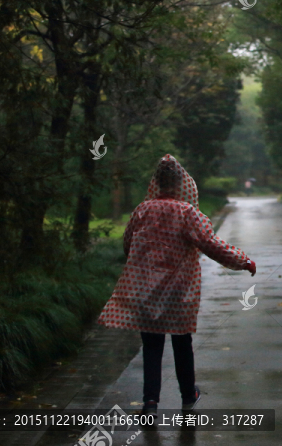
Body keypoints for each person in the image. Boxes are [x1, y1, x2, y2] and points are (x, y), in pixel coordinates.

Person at [98, 154, 256, 414]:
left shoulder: (142, 210)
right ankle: (187, 395)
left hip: (146, 289)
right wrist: (244, 261)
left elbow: (127, 244)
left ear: (156, 183)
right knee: (182, 343)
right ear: (182, 183)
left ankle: (150, 402)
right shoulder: (187, 212)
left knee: (151, 345)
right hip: (179, 290)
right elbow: (211, 244)